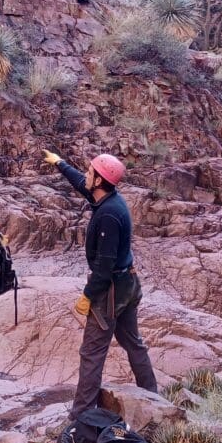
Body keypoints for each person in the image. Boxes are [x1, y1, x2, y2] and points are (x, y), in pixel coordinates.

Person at [42, 149, 158, 419]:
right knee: (133, 343)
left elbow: (104, 267)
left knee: (92, 351)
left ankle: (80, 416)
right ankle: (153, 397)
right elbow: (82, 185)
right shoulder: (108, 198)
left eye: (90, 172)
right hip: (127, 284)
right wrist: (60, 164)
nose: (86, 174)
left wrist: (87, 295)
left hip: (111, 290)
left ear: (99, 180)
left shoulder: (107, 215)